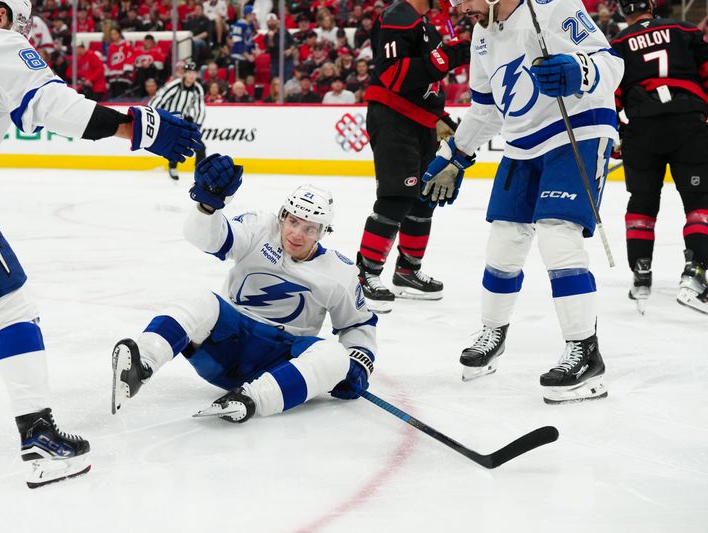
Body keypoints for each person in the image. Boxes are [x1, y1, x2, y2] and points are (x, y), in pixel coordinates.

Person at [0, 0, 202, 487]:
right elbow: (55, 109)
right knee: (12, 309)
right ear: (0, 14)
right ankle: (39, 438)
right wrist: (139, 127)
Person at [422, 0, 623, 403]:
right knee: (504, 241)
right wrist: (454, 156)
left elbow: (610, 63)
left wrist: (579, 70)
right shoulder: (482, 33)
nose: (459, 8)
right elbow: (487, 110)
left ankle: (585, 351)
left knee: (556, 236)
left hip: (576, 130)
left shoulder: (553, 7)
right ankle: (493, 331)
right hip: (522, 145)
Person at [111, 155, 377, 423]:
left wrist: (358, 363)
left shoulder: (339, 272)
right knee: (201, 300)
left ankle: (249, 400)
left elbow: (358, 325)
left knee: (335, 356)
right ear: (282, 216)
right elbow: (211, 239)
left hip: (280, 364)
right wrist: (207, 207)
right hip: (227, 345)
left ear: (322, 232)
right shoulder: (260, 227)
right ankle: (141, 364)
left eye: (309, 229)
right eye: (293, 222)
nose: (297, 234)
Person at [356, 0, 470, 312]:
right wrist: (447, 57)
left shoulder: (426, 26)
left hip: (421, 121)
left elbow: (429, 79)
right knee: (397, 195)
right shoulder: (398, 16)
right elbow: (394, 75)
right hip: (393, 116)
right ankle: (366, 273)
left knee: (424, 195)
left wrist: (441, 116)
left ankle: (407, 270)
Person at [611, 0, 708, 314]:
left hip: (642, 129)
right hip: (688, 123)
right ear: (651, 7)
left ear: (623, 12)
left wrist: (615, 132)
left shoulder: (616, 44)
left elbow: (609, 94)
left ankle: (641, 274)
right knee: (699, 201)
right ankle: (695, 272)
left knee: (641, 202)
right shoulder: (684, 29)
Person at [149, 61, 207, 180]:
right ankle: (173, 165)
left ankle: (199, 174)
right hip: (170, 119)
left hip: (185, 120)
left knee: (200, 147)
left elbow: (200, 107)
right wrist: (151, 114)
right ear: (184, 74)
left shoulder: (198, 88)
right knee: (176, 144)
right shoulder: (173, 85)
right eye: (189, 72)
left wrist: (197, 125)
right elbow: (159, 99)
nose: (191, 75)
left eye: (194, 73)